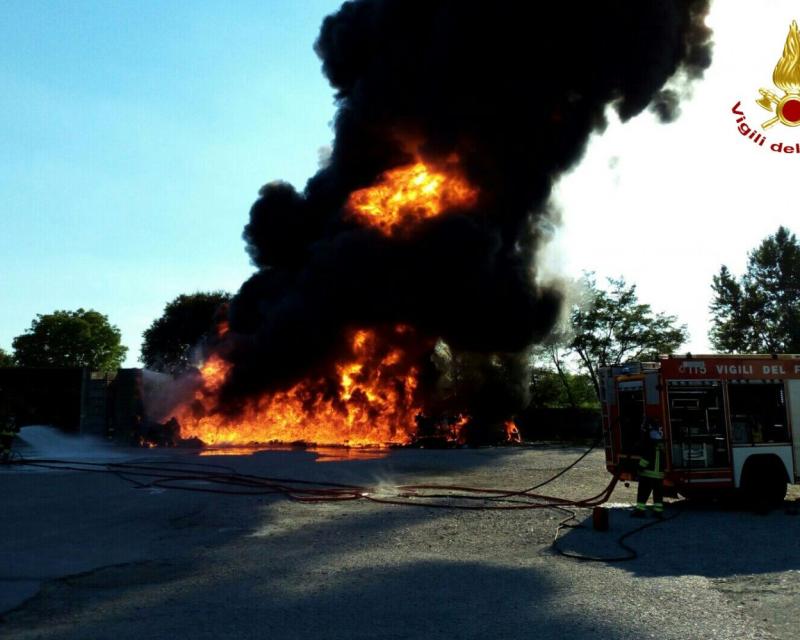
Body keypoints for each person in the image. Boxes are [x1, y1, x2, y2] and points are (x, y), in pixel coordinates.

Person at [632, 418, 666, 518]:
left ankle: (640, 511)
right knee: (658, 495)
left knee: (643, 493)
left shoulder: (649, 444)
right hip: (659, 476)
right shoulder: (661, 444)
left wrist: (639, 467)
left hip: (647, 474)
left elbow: (647, 458)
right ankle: (658, 512)